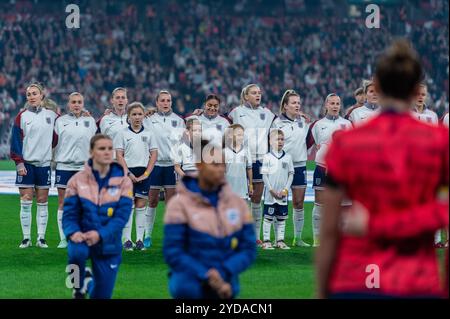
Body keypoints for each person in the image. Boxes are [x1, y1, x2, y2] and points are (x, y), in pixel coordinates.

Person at [316, 40, 449, 299]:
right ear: (415, 91)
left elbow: (329, 229)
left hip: (355, 279)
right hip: (417, 280)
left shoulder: (346, 143)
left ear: (375, 88)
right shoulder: (439, 141)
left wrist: (322, 292)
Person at [163, 139, 256, 299]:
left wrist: (223, 271)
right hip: (189, 285)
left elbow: (248, 249)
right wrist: (208, 275)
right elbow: (173, 252)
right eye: (214, 164)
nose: (220, 169)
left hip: (226, 284)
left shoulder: (237, 204)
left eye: (222, 164)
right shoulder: (179, 204)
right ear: (199, 165)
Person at [63, 134, 133, 299]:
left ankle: (88, 283)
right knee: (75, 254)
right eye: (102, 148)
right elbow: (69, 215)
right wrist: (73, 232)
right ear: (91, 152)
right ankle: (78, 286)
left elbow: (121, 218)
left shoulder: (124, 181)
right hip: (83, 237)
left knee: (101, 295)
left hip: (108, 243)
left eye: (110, 149)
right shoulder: (76, 180)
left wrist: (100, 235)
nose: (107, 152)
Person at [10, 83, 58, 248]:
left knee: (43, 201)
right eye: (28, 94)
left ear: (42, 95)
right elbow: (15, 141)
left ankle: (41, 238)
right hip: (27, 165)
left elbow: (59, 135)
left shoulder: (52, 116)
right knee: (26, 200)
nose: (31, 96)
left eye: (34, 93)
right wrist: (19, 163)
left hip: (44, 164)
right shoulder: (21, 116)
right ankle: (26, 238)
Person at [228, 84, 276, 246]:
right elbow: (221, 123)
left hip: (261, 160)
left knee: (256, 199)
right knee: (241, 200)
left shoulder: (267, 113)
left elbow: (283, 120)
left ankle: (255, 236)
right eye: (254, 93)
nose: (258, 95)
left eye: (259, 93)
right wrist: (198, 114)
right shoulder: (236, 112)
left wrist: (299, 116)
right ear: (245, 96)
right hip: (241, 160)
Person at [306, 93, 352, 247]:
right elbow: (306, 145)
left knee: (343, 202)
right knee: (319, 202)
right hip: (321, 167)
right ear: (326, 105)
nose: (335, 106)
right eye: (332, 103)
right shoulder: (317, 125)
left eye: (337, 104)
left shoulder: (348, 124)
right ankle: (317, 238)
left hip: (342, 169)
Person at [53, 92, 97, 248]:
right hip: (64, 166)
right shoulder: (60, 121)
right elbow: (51, 141)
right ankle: (64, 239)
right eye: (73, 102)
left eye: (79, 102)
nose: (77, 105)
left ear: (83, 104)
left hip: (84, 168)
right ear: (68, 104)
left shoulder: (90, 121)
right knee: (63, 203)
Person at [143, 90, 185, 248]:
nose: (165, 103)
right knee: (152, 199)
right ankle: (147, 234)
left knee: (171, 202)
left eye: (168, 100)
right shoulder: (148, 119)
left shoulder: (178, 121)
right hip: (154, 164)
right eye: (162, 100)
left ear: (171, 103)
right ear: (157, 102)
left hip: (172, 165)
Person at [115, 102, 158, 251]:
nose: (137, 117)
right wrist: (127, 172)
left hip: (143, 173)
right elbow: (119, 155)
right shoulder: (122, 133)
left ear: (143, 115)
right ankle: (126, 240)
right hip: (127, 174)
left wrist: (146, 174)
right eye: (134, 114)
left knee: (141, 205)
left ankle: (139, 239)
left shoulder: (149, 133)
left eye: (140, 114)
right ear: (129, 116)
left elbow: (154, 155)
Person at [272, 89, 310, 247]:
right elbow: (272, 144)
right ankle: (277, 238)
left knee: (299, 202)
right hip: (282, 166)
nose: (297, 105)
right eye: (294, 102)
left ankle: (298, 238)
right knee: (280, 201)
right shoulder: (277, 123)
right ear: (285, 106)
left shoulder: (304, 122)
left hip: (300, 165)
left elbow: (308, 141)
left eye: (299, 103)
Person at [260, 129, 294, 250]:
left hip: (283, 194)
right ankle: (267, 241)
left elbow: (291, 174)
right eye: (277, 139)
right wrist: (271, 190)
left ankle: (280, 241)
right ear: (270, 141)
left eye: (281, 139)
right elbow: (264, 175)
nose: (280, 142)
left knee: (281, 218)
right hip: (271, 195)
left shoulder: (288, 157)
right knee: (268, 217)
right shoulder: (267, 157)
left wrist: (285, 189)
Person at [223, 124, 253, 201]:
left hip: (242, 190)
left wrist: (250, 185)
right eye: (239, 135)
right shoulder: (224, 151)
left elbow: (249, 169)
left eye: (242, 135)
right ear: (230, 135)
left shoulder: (246, 150)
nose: (241, 137)